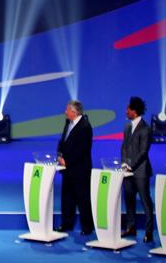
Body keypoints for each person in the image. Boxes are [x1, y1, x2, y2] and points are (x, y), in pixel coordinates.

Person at [56, 99, 94, 235]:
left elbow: (82, 150)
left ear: (74, 111)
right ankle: (66, 224)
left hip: (80, 170)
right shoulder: (68, 123)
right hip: (67, 169)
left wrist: (67, 161)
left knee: (83, 198)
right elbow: (63, 141)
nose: (65, 112)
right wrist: (60, 155)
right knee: (67, 198)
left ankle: (87, 227)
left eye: (67, 110)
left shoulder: (85, 126)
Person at [120, 96, 154, 242]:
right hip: (127, 171)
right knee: (129, 199)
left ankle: (149, 232)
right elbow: (124, 147)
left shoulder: (145, 128)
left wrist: (131, 166)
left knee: (145, 201)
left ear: (134, 111)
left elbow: (143, 151)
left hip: (140, 171)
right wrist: (124, 164)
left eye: (128, 109)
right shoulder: (127, 127)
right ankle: (130, 227)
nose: (126, 111)